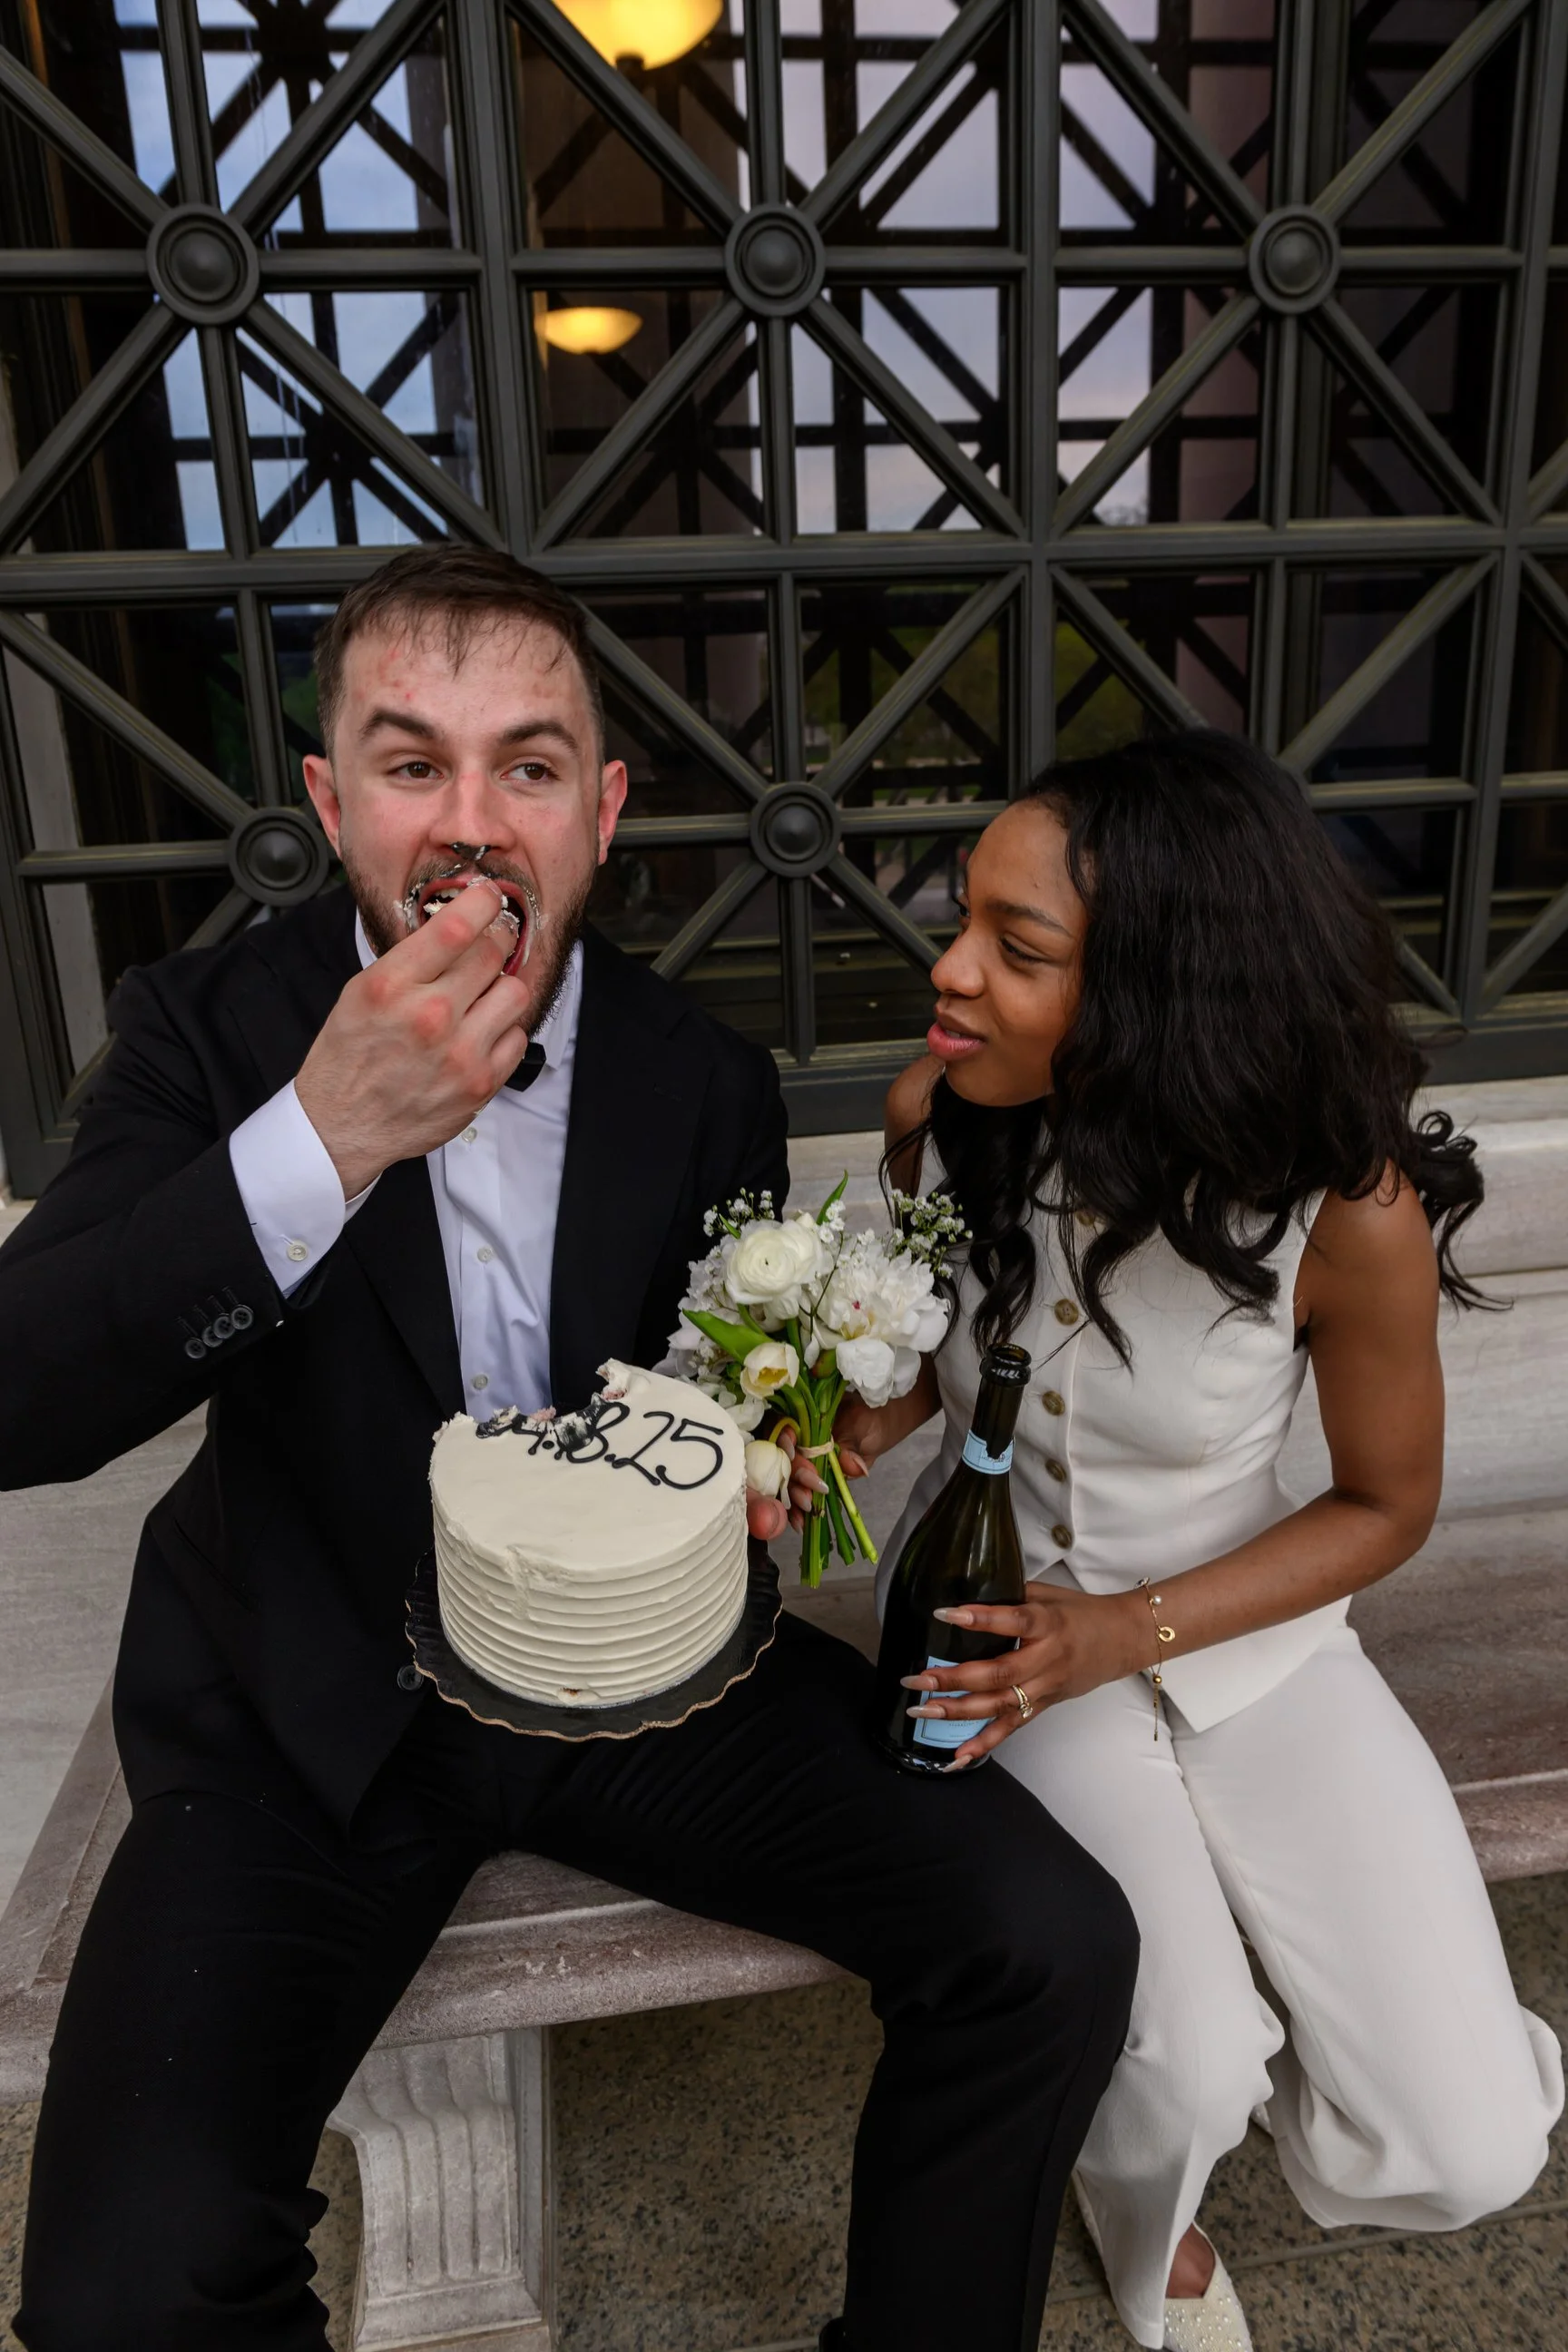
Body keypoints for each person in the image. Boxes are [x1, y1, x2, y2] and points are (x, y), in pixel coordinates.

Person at [0, 545, 1137, 2352]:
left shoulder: (705, 1077)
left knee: (1052, 1945)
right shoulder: (204, 1034)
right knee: (126, 2291)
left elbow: (728, 1411)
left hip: (647, 1683)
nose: (473, 822)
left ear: (600, 808)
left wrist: (797, 1458)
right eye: (411, 761)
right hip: (313, 1705)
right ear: (328, 800)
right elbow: (21, 1394)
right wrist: (317, 1141)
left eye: (528, 765)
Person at [791, 732, 1564, 2352]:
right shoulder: (958, 1112)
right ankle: (1150, 2206)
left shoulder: (1345, 1210)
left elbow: (1383, 1505)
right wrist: (840, 1429)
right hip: (1002, 1653)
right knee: (1188, 2050)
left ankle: (1271, 2079)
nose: (948, 970)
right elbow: (923, 1362)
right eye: (964, 918)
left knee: (1475, 2143)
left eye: (1019, 947)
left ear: (1160, 989)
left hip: (1250, 1641)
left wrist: (1127, 1630)